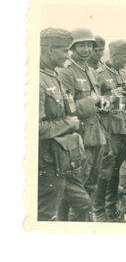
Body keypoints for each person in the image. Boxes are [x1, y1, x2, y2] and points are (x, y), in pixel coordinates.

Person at [38, 27, 92, 221]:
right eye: (64, 50)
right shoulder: (36, 80)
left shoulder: (53, 75)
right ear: (50, 49)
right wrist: (68, 124)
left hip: (62, 157)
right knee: (45, 215)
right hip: (46, 162)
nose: (68, 55)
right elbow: (35, 128)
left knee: (83, 203)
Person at [57, 27, 108, 220]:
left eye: (89, 45)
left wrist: (102, 103)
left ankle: (84, 222)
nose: (86, 49)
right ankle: (65, 226)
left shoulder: (91, 71)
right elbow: (65, 107)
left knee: (92, 184)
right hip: (79, 138)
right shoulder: (66, 72)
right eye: (82, 45)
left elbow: (95, 99)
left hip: (97, 136)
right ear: (72, 47)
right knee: (75, 188)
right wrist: (93, 102)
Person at [93, 40, 126, 222]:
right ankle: (98, 210)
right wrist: (111, 99)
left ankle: (110, 206)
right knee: (106, 168)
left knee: (118, 167)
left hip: (124, 125)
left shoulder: (122, 74)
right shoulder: (100, 74)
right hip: (108, 126)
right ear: (114, 55)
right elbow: (95, 104)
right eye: (125, 57)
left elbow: (125, 100)